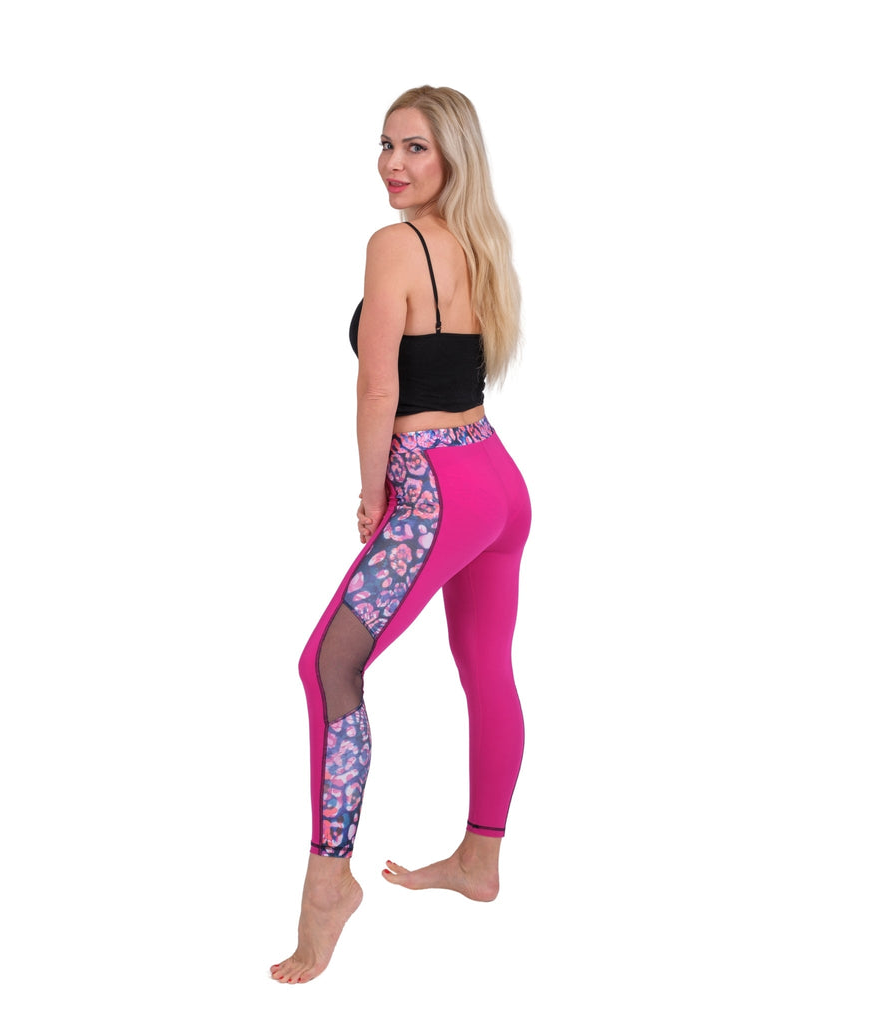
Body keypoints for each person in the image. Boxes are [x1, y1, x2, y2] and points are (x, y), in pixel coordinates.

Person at [270, 85, 531, 984]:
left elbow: (379, 385)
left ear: (454, 154)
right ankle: (480, 859)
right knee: (487, 669)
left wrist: (375, 493)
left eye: (415, 147)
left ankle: (328, 883)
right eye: (386, 145)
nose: (393, 164)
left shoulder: (396, 244)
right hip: (497, 479)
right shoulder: (477, 241)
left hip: (435, 492)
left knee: (328, 665)